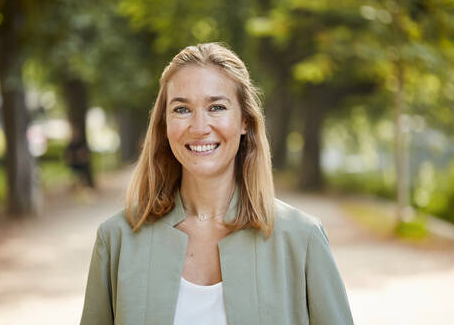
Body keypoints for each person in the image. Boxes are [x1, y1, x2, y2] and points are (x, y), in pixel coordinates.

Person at [80, 42, 354, 325]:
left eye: (217, 107)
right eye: (182, 109)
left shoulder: (301, 238)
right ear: (164, 124)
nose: (199, 127)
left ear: (245, 121)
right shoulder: (117, 239)